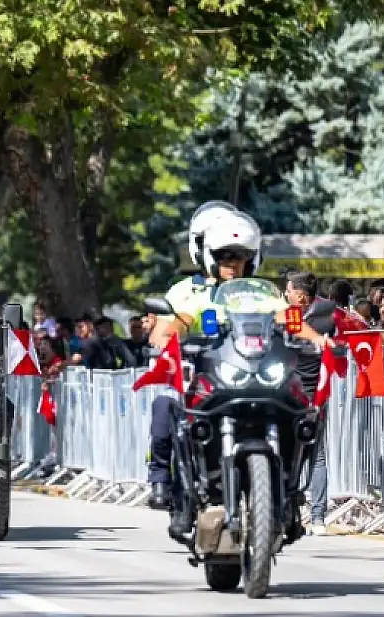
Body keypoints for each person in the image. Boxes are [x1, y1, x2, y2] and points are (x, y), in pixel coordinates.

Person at [146, 208, 334, 537]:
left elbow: (291, 321)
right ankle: (182, 497)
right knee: (176, 416)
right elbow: (174, 327)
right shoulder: (202, 298)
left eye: (241, 257)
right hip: (215, 376)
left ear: (253, 259)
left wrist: (319, 340)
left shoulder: (267, 296)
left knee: (306, 416)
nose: (233, 264)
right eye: (225, 257)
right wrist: (167, 341)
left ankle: (291, 495)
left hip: (260, 375)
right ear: (209, 257)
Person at [283, 271, 337, 535]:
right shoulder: (323, 313)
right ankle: (292, 509)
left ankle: (316, 516)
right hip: (290, 393)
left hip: (309, 395)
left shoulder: (323, 317)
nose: (286, 295)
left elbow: (359, 329)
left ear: (301, 296)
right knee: (300, 454)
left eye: (289, 291)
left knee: (314, 455)